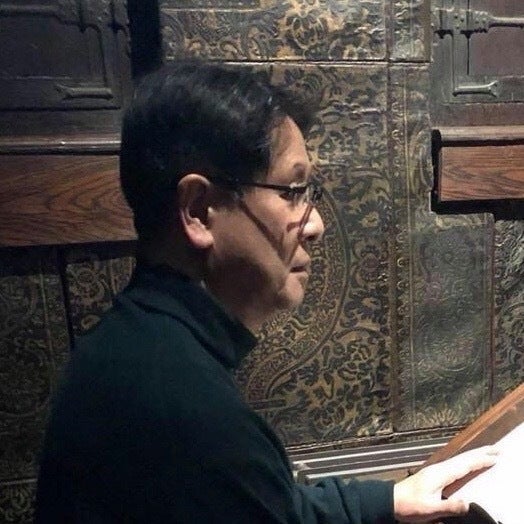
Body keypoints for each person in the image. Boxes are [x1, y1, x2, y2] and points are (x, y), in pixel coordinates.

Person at [35, 61, 496, 523]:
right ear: (198, 210)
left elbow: (275, 505)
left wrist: (387, 500)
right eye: (292, 191)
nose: (315, 225)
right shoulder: (190, 415)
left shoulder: (138, 345)